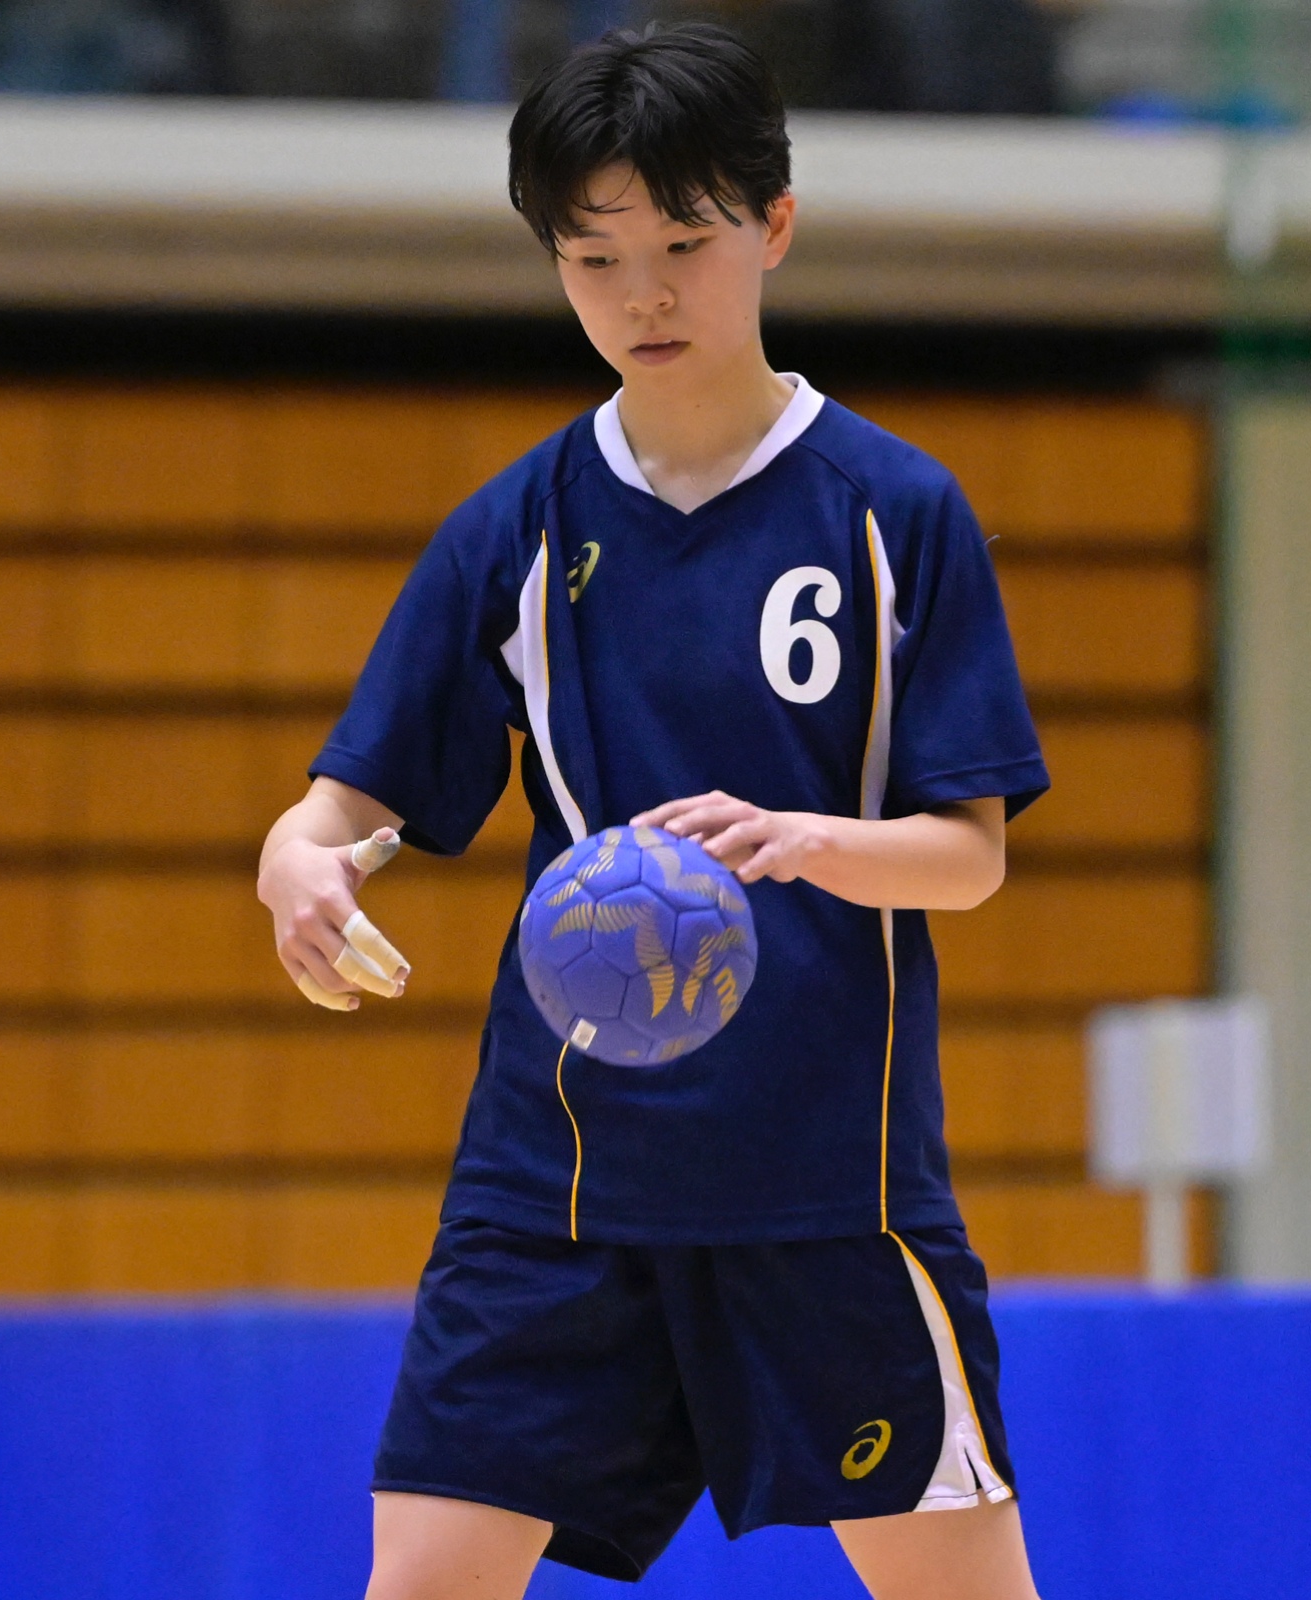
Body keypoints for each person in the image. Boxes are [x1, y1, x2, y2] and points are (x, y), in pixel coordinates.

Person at [254, 24, 1050, 1600]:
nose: (645, 297)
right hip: (556, 1180)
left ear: (774, 225)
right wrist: (297, 866)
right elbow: (340, 807)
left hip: (824, 1183)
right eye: (595, 258)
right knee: (420, 1578)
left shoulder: (894, 512)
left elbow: (969, 858)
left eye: (684, 246)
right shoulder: (516, 531)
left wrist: (810, 843)